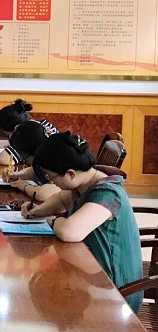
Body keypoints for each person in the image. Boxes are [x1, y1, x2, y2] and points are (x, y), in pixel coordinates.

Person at [22, 132, 142, 312]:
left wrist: (54, 221)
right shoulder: (86, 179)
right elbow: (61, 199)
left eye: (51, 177)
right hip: (92, 274)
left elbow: (69, 232)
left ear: (70, 173)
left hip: (116, 294)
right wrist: (38, 210)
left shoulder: (107, 193)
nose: (52, 183)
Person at [4, 120, 61, 201]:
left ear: (34, 152)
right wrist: (18, 174)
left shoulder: (57, 159)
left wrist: (25, 186)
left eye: (24, 156)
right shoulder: (43, 156)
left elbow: (43, 194)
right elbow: (36, 171)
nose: (25, 161)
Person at [0, 98, 58, 166]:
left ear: (16, 129)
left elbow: (4, 159)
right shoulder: (44, 125)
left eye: (10, 135)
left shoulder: (28, 135)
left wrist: (15, 148)